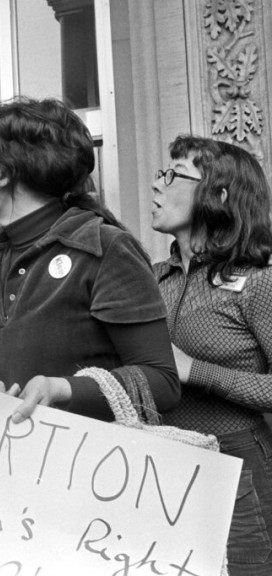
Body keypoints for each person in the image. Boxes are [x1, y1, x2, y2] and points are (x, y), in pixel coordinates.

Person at [0, 96, 179, 423]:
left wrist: (63, 390)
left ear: (3, 173)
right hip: (11, 466)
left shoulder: (105, 248)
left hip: (85, 469)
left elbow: (162, 383)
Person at [151, 135, 272, 575]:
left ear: (218, 195)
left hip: (237, 466)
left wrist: (194, 370)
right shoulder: (152, 278)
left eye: (174, 175)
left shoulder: (259, 280)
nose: (156, 185)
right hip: (162, 461)